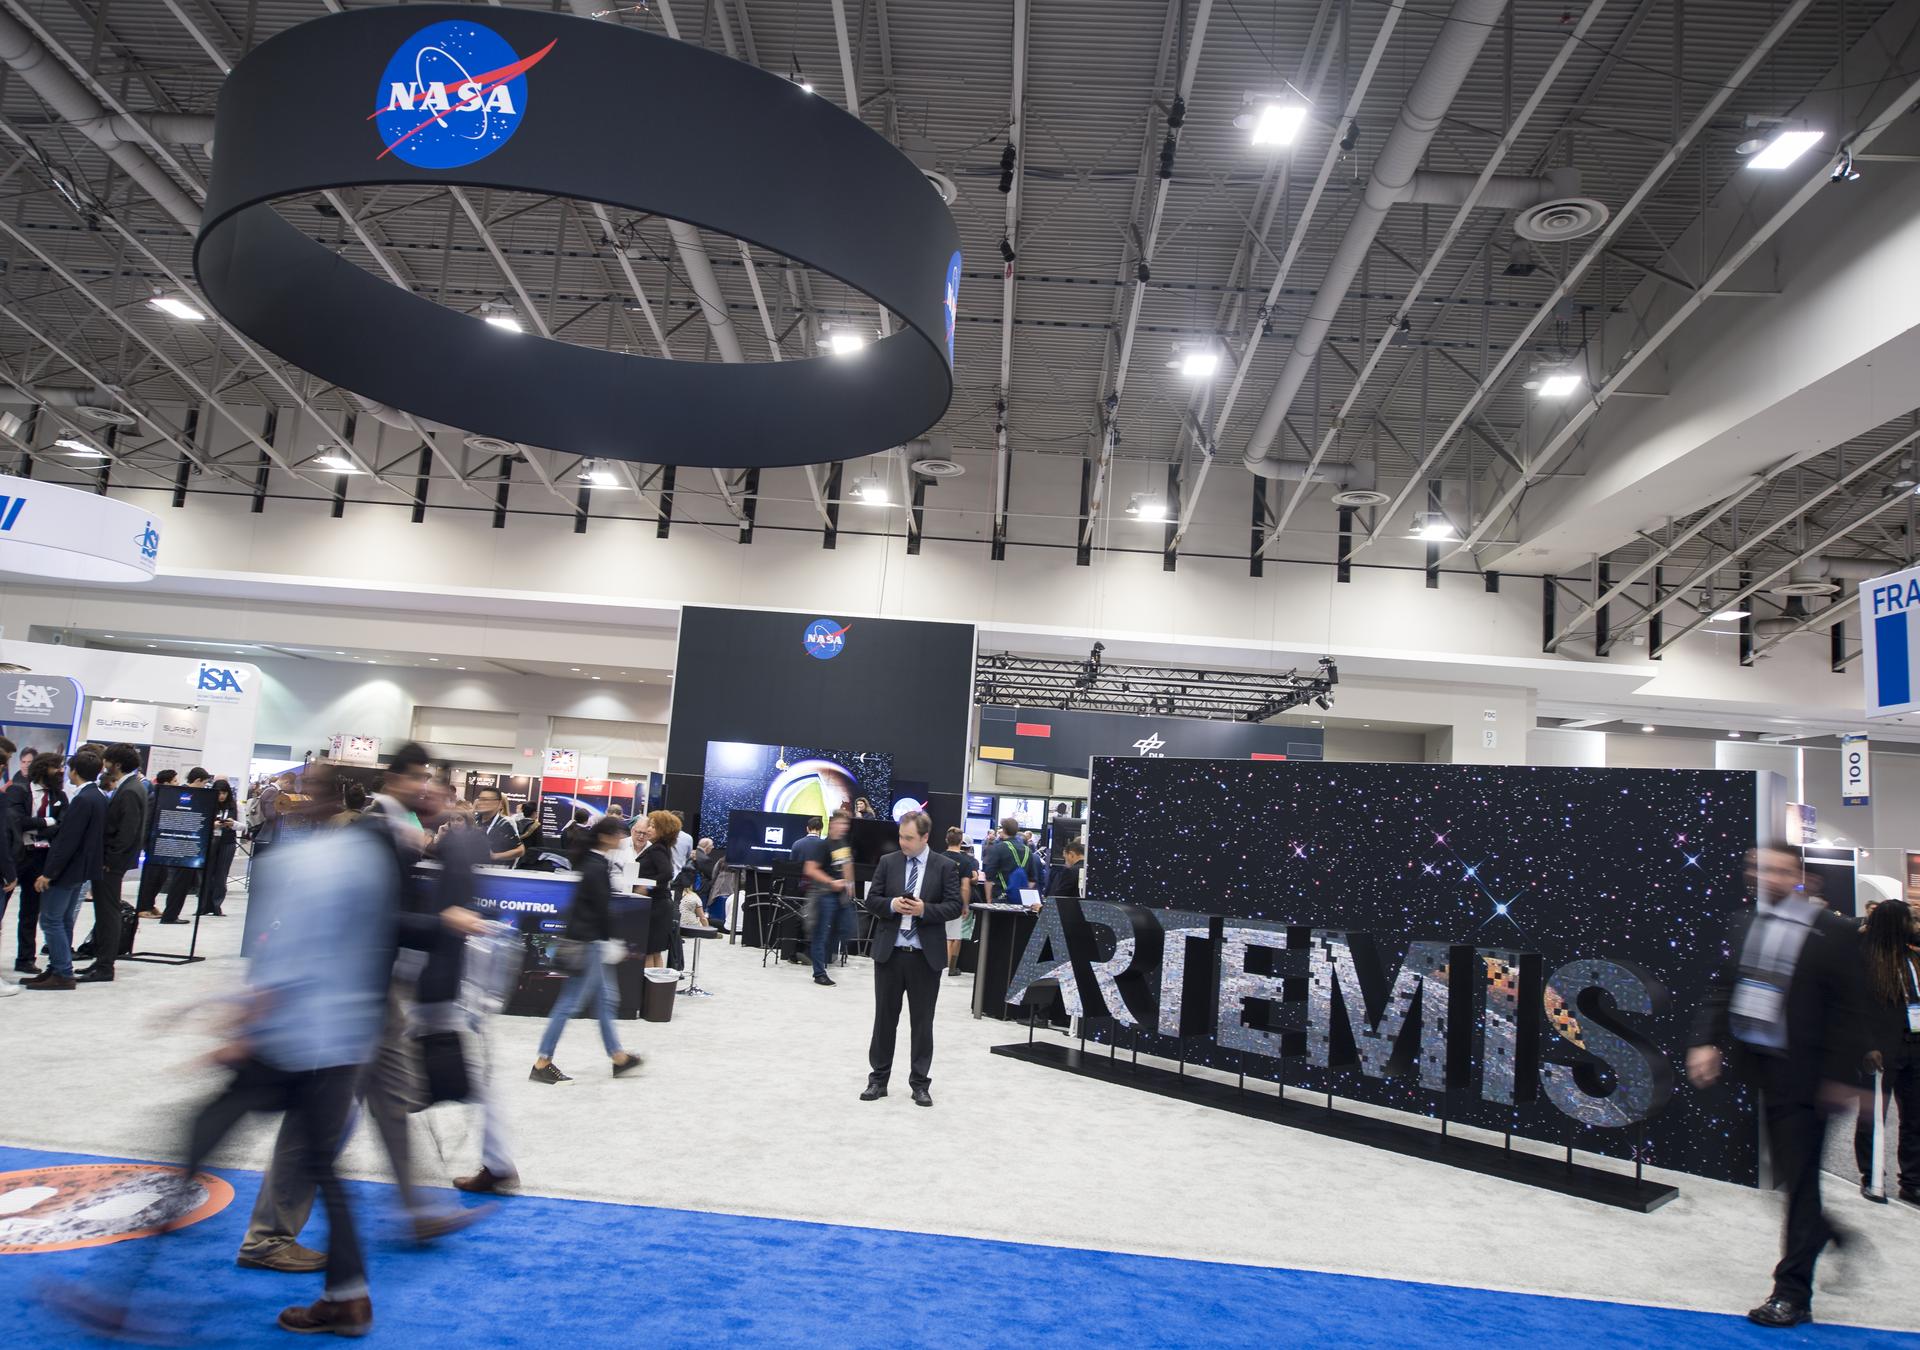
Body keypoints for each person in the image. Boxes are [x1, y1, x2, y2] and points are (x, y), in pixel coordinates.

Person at [1687, 846, 1872, 1328]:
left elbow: (1854, 1008)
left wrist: (1844, 1078)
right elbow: (1725, 986)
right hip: (1757, 1067)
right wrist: (1706, 1041)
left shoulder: (1832, 931)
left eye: (1778, 870)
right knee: (1771, 1172)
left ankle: (1792, 1293)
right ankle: (1827, 1233)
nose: (1765, 877)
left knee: (1800, 1183)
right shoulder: (1744, 922)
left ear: (1801, 877)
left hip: (1807, 1077)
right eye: (1758, 868)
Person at [529, 815, 644, 1084]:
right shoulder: (595, 866)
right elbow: (600, 909)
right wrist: (610, 940)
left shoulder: (594, 862)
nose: (622, 839)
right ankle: (543, 1061)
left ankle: (618, 1057)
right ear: (605, 837)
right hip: (588, 943)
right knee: (570, 1003)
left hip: (592, 942)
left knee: (605, 1001)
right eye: (618, 834)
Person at [858, 811, 963, 1107]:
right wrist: (892, 904)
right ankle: (878, 1080)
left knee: (922, 1023)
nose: (902, 842)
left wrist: (924, 910)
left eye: (909, 838)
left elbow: (955, 906)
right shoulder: (888, 862)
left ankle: (920, 1083)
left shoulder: (945, 866)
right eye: (901, 837)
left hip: (924, 958)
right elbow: (871, 900)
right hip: (889, 954)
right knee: (884, 1020)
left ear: (925, 837)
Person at [1854, 898, 1920, 1204]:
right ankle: (1872, 1178)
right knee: (1873, 1117)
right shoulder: (1865, 959)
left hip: (1914, 1046)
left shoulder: (1911, 957)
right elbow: (1855, 1009)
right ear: (1895, 923)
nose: (1916, 925)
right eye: (1911, 920)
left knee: (1915, 1118)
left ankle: (1912, 1182)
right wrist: (1866, 1045)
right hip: (1880, 1051)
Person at [25, 748, 106, 990]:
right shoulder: (98, 796)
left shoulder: (83, 799)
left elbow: (68, 841)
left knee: (51, 920)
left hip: (66, 871)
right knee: (63, 920)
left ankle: (62, 972)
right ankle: (57, 967)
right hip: (80, 871)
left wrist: (49, 873)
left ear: (75, 771)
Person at [79, 745, 146, 982]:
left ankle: (105, 966)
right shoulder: (129, 787)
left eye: (107, 761)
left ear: (116, 764)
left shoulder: (130, 790)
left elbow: (128, 830)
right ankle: (102, 961)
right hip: (111, 861)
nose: (104, 765)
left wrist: (111, 860)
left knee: (108, 912)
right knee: (106, 911)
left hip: (111, 863)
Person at [12, 752, 67, 973]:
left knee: (30, 910)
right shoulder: (20, 790)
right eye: (57, 767)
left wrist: (38, 826)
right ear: (44, 768)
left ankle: (25, 959)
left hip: (42, 858)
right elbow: (17, 822)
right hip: (18, 856)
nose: (61, 771)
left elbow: (62, 826)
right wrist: (47, 821)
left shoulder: (60, 796)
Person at [796, 813, 854, 986]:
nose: (844, 827)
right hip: (824, 894)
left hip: (839, 895)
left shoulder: (842, 844)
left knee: (846, 929)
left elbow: (847, 864)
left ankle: (816, 958)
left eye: (846, 824)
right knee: (820, 934)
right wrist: (831, 882)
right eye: (841, 823)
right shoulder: (822, 845)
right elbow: (810, 869)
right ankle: (819, 973)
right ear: (833, 824)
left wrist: (850, 885)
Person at [634, 810, 679, 969]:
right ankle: (656, 984)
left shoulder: (657, 849)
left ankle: (648, 984)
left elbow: (667, 874)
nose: (648, 829)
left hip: (656, 906)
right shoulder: (661, 847)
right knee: (654, 952)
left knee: (648, 951)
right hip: (659, 905)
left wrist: (646, 886)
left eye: (653, 826)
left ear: (663, 830)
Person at [200, 779, 240, 916]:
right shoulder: (208, 803)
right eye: (219, 793)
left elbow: (243, 826)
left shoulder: (234, 806)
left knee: (221, 875)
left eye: (224, 793)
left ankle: (217, 906)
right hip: (210, 842)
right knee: (207, 874)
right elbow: (201, 821)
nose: (221, 796)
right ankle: (203, 906)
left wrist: (232, 824)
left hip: (227, 842)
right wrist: (212, 824)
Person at [942, 825, 977, 978]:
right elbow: (965, 886)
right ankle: (951, 967)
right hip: (955, 902)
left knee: (943, 935)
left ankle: (943, 965)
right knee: (955, 936)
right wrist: (965, 905)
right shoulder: (966, 862)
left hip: (939, 901)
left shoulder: (938, 857)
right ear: (961, 841)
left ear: (946, 840)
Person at [982, 817, 1037, 905]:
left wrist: (989, 900)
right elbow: (1032, 880)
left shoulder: (997, 848)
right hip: (1021, 902)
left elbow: (989, 878)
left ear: (1004, 830)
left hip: (1001, 899)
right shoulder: (1028, 850)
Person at [472, 787, 524, 867]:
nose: (482, 802)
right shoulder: (473, 820)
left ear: (499, 803)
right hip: (472, 869)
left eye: (486, 800)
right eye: (480, 799)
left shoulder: (504, 823)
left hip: (494, 870)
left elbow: (520, 850)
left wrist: (495, 856)